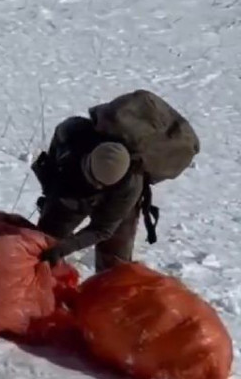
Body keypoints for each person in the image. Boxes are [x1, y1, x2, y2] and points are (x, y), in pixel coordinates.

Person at [32, 90, 198, 272]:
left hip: (117, 199)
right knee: (44, 245)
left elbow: (102, 229)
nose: (96, 186)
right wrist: (51, 195)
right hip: (72, 186)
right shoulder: (72, 133)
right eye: (93, 179)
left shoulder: (130, 186)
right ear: (87, 158)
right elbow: (53, 166)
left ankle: (107, 295)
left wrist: (68, 246)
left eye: (101, 185)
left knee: (114, 265)